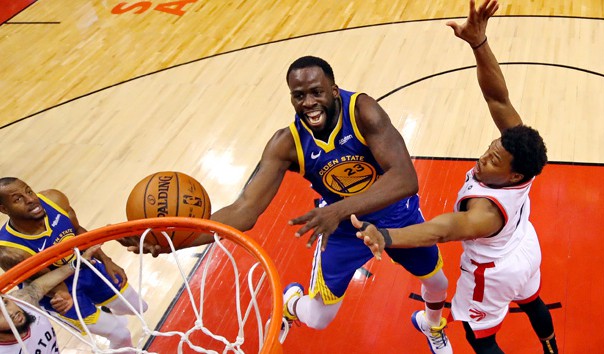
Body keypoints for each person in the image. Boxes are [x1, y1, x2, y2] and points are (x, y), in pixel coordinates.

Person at [122, 54, 452, 352]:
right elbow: (244, 211)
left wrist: (337, 209)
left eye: (316, 92)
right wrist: (174, 240)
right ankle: (291, 301)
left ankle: (431, 324)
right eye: (299, 95)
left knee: (437, 281)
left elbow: (405, 178)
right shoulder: (287, 144)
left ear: (334, 90)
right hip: (343, 232)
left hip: (392, 215)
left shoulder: (362, 111)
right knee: (319, 319)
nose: (309, 102)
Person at [351, 1, 558, 353]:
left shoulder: (486, 212)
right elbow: (497, 96)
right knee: (533, 300)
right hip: (525, 247)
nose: (484, 158)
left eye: (494, 161)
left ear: (514, 176)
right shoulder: (519, 150)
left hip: (492, 272)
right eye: (491, 148)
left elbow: (441, 230)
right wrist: (479, 43)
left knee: (480, 337)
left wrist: (386, 236)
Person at [0, 178, 149, 350]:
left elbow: (78, 231)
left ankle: (107, 308)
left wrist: (107, 260)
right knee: (120, 333)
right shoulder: (10, 251)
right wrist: (63, 295)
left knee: (139, 306)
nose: (31, 199)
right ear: (4, 209)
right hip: (58, 290)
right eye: (18, 199)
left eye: (28, 191)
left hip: (85, 265)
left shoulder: (54, 200)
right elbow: (44, 282)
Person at [0, 245, 100, 353]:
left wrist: (76, 264)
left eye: (5, 303)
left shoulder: (22, 301)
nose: (10, 312)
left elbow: (41, 286)